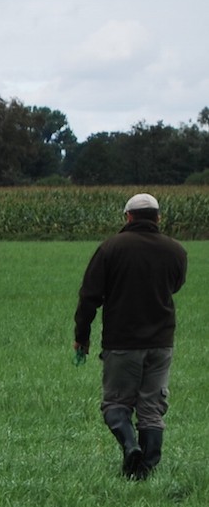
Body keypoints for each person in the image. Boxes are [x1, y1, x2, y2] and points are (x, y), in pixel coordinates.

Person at [73, 192, 188, 479]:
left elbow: (89, 297)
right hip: (161, 342)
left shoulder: (110, 248)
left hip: (122, 343)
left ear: (128, 217)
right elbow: (175, 286)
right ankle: (145, 470)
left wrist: (82, 337)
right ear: (158, 218)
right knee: (151, 408)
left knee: (116, 403)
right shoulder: (175, 250)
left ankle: (130, 447)